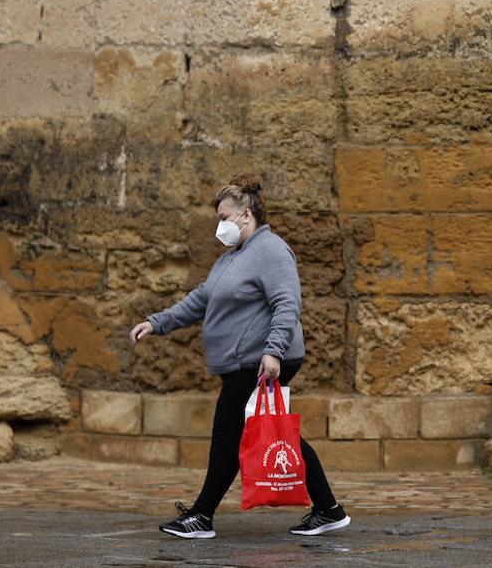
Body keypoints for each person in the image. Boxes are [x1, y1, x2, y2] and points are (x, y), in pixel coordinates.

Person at [129, 174, 350, 540]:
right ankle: (328, 509)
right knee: (268, 431)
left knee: (228, 433)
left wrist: (274, 352)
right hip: (246, 360)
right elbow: (201, 299)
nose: (220, 224)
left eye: (225, 216)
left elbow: (286, 303)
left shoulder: (272, 250)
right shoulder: (232, 258)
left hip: (260, 359)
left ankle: (201, 515)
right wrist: (157, 323)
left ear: (246, 215)